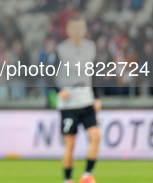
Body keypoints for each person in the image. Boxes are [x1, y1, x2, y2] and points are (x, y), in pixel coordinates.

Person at [53, 14, 101, 183]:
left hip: (86, 99)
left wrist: (97, 97)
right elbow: (48, 74)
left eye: (81, 27)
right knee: (70, 144)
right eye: (74, 28)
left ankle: (87, 174)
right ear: (67, 30)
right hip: (68, 103)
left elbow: (94, 74)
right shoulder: (60, 50)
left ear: (85, 29)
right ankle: (68, 179)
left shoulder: (91, 47)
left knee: (96, 136)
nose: (78, 31)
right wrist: (58, 90)